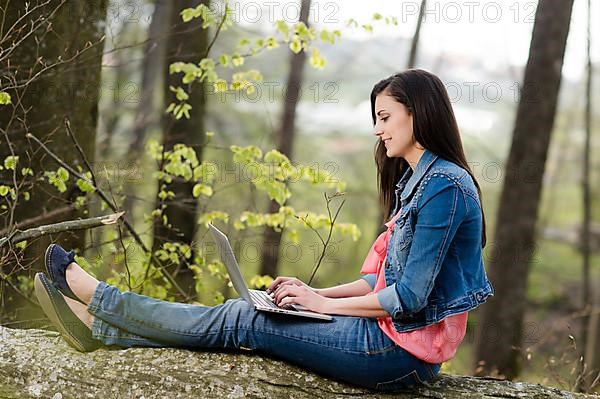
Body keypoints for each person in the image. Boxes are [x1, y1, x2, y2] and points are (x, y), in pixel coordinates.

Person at [34, 69, 493, 391]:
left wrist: (315, 304)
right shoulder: (419, 182)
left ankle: (103, 301)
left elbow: (408, 298)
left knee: (244, 319)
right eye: (375, 118)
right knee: (249, 310)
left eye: (385, 117)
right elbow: (381, 281)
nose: (377, 130)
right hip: (387, 338)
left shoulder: (445, 188)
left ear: (420, 113)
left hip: (398, 356)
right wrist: (316, 294)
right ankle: (103, 329)